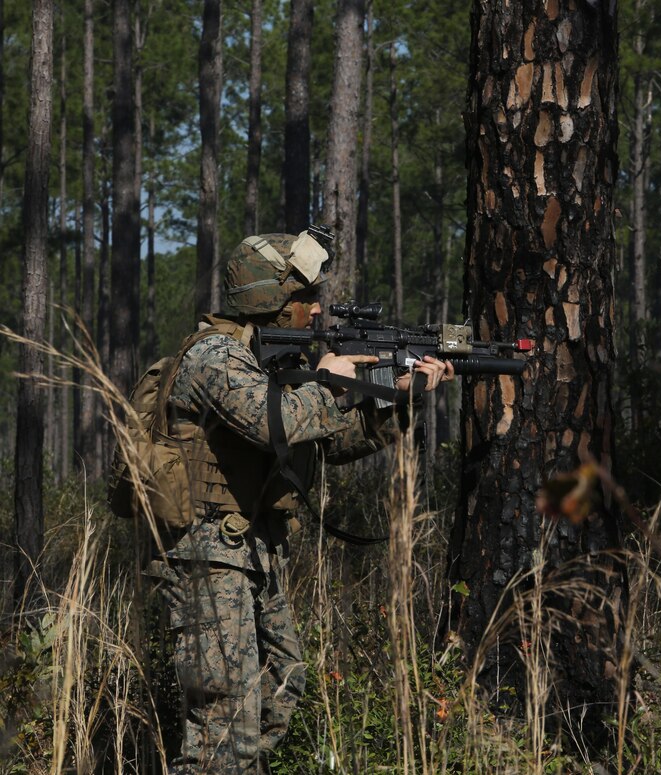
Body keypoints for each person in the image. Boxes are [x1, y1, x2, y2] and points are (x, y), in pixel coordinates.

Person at [144, 230, 452, 773]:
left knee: (280, 689)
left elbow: (328, 444)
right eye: (305, 299)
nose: (315, 311)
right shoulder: (214, 358)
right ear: (271, 302)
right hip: (209, 556)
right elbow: (275, 424)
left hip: (253, 556)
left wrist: (402, 403)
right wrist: (328, 381)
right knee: (223, 723)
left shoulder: (266, 364)